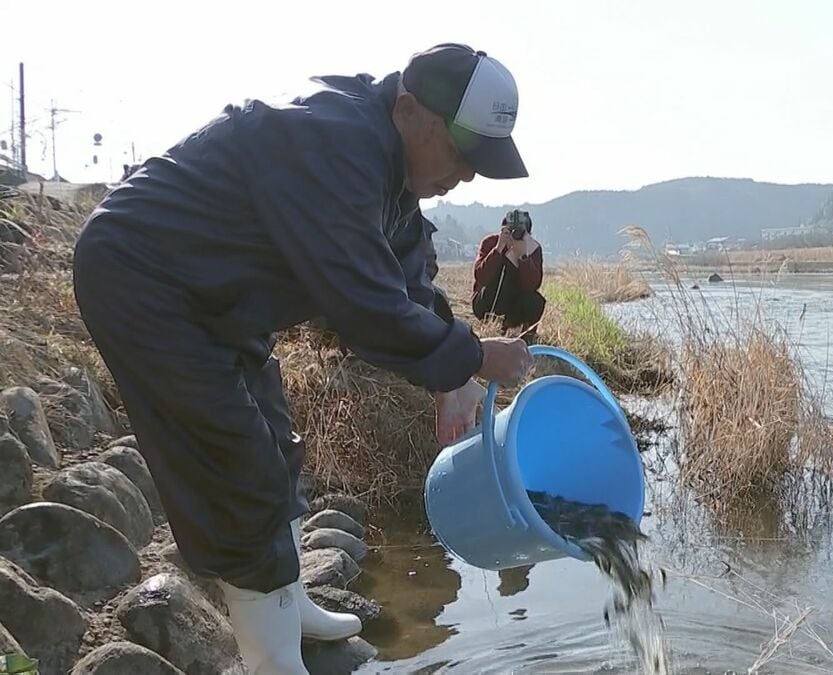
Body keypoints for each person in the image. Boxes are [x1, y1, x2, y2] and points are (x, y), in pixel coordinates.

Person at [72, 43, 533, 674]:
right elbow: (364, 304)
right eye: (462, 152)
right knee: (240, 467)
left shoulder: (390, 170)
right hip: (146, 279)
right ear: (408, 109)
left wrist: (451, 373)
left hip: (223, 298)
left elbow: (406, 284)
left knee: (278, 443)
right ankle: (273, 662)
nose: (468, 174)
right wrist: (472, 357)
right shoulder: (335, 143)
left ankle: (291, 605)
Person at [471, 209, 545, 339]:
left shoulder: (533, 248)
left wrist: (523, 257)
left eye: (521, 232)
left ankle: (527, 335)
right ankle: (495, 328)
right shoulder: (490, 242)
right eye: (510, 231)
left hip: (514, 304)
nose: (515, 235)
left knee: (536, 300)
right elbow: (480, 276)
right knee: (502, 280)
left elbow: (533, 285)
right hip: (487, 301)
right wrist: (498, 249)